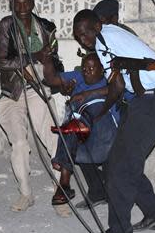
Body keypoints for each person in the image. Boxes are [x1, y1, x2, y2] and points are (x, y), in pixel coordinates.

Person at [73, 9, 155, 233]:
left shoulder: (102, 42)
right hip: (152, 99)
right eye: (78, 36)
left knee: (120, 166)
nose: (83, 40)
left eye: (85, 33)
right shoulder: (110, 33)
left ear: (97, 26)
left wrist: (98, 114)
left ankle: (120, 229)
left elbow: (117, 86)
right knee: (120, 161)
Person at [0, 0, 59, 212]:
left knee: (53, 139)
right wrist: (32, 57)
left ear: (33, 2)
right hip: (12, 94)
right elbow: (2, 63)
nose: (22, 7)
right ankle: (26, 194)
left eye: (25, 2)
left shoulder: (46, 27)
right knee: (19, 144)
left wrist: (49, 63)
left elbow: (54, 61)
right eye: (17, 3)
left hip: (37, 89)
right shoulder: (7, 25)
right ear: (11, 4)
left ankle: (61, 190)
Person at [41, 52, 118, 210]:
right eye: (84, 68)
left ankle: (65, 182)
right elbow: (51, 79)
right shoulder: (78, 76)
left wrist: (87, 94)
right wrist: (46, 58)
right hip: (83, 130)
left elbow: (116, 89)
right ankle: (94, 192)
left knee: (75, 127)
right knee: (74, 137)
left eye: (91, 68)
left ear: (102, 69)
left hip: (104, 130)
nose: (87, 71)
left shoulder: (108, 82)